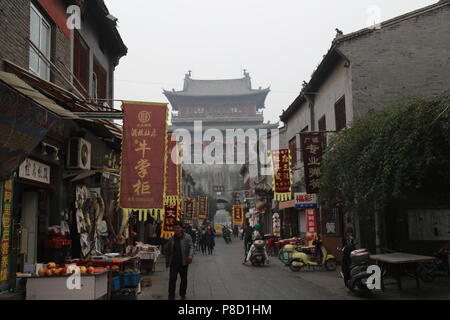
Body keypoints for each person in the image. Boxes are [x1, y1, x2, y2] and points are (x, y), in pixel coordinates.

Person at [165, 221, 193, 300]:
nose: (176, 230)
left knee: (183, 279)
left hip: (183, 261)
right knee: (172, 278)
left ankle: (182, 294)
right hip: (173, 262)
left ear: (181, 228)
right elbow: (167, 249)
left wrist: (190, 255)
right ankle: (171, 295)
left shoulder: (187, 237)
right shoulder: (172, 238)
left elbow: (191, 247)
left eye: (178, 228)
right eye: (175, 228)